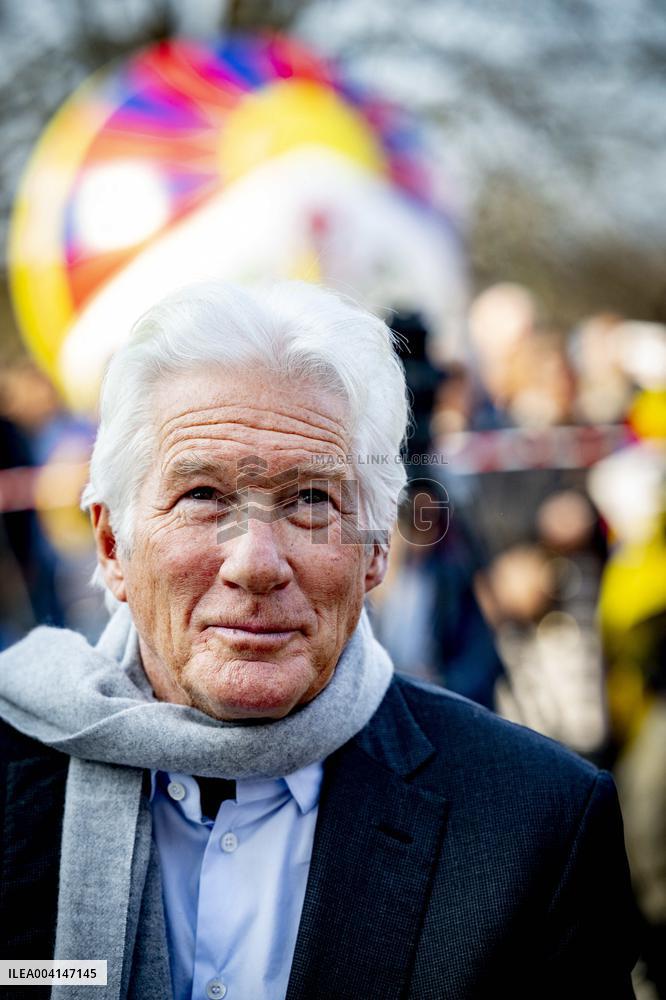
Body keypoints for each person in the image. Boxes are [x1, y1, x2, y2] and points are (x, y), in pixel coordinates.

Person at [0, 281, 638, 1000]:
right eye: (202, 496)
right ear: (113, 545)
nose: (255, 563)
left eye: (310, 500)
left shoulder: (534, 828)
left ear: (376, 551)